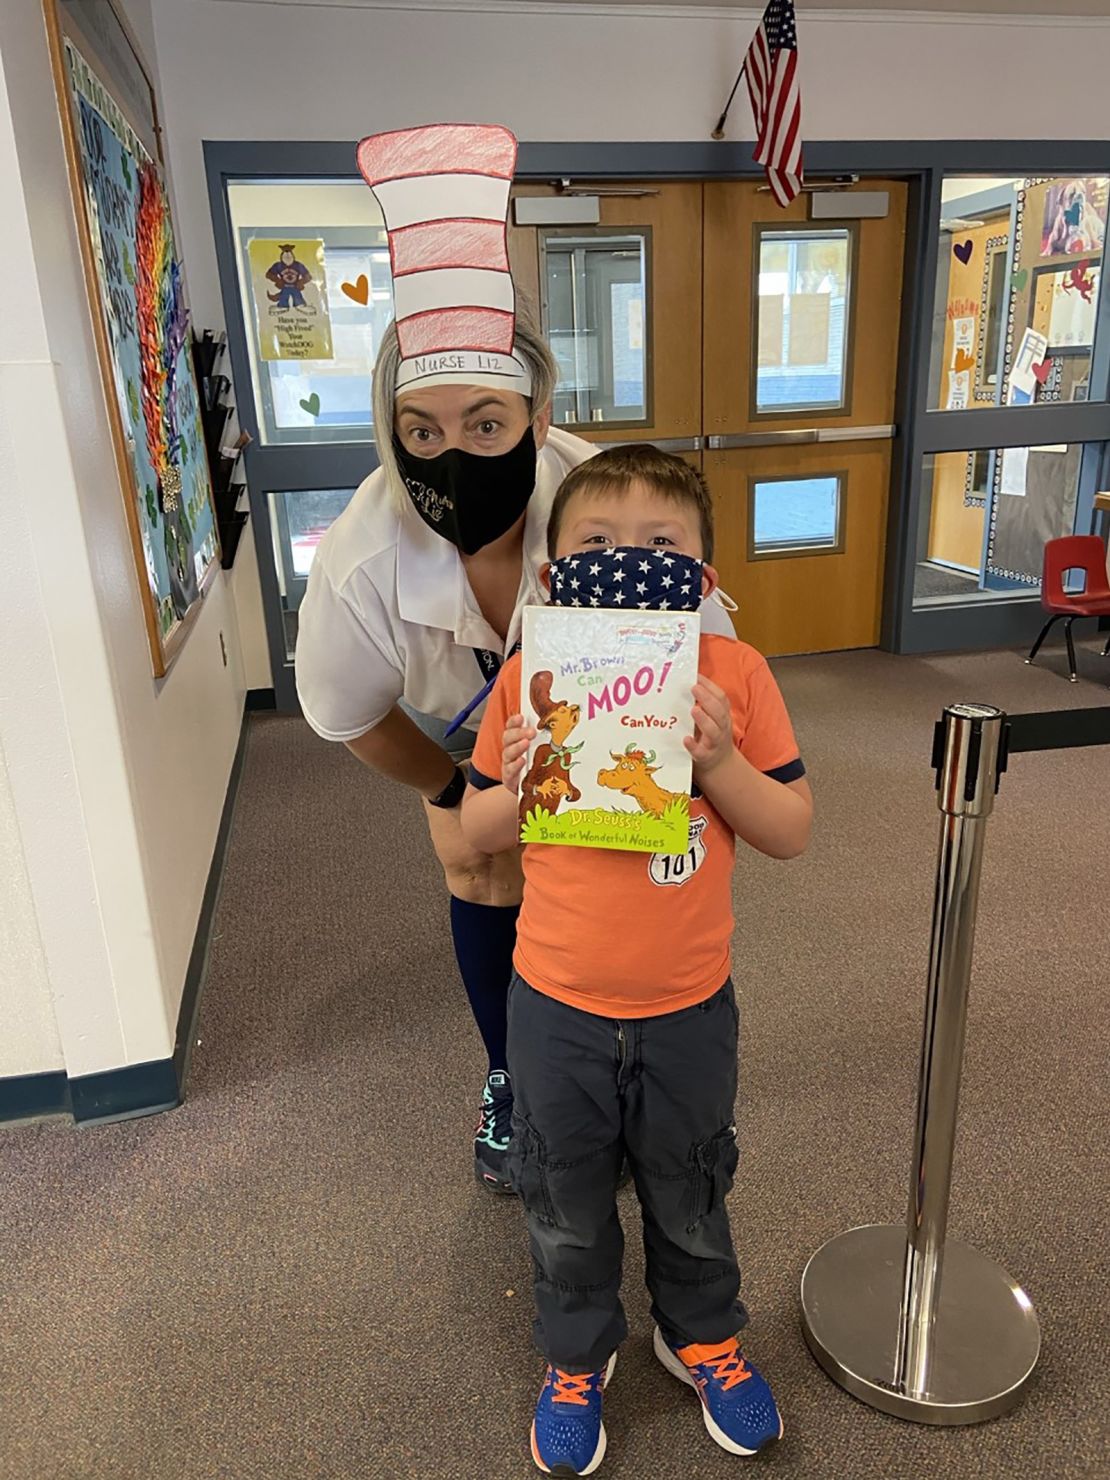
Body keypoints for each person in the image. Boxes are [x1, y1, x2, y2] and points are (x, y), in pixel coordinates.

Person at [295, 124, 739, 1196]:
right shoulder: (361, 566)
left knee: (615, 865)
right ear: (391, 434)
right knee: (480, 859)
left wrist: (692, 722)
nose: (456, 452)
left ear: (540, 419)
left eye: (487, 423)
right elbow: (353, 719)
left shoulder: (604, 508)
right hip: (465, 725)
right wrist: (453, 784)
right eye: (423, 428)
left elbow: (712, 637)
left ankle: (641, 1069)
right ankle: (513, 1078)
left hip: (611, 711)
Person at [461, 445, 813, 1474]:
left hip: (688, 1002)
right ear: (549, 572)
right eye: (597, 544)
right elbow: (476, 831)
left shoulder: (734, 676)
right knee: (563, 1192)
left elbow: (790, 827)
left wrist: (720, 762)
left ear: (705, 573)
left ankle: (700, 1332)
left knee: (690, 1182)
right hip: (557, 1003)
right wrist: (516, 780)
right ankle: (577, 1355)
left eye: (663, 544)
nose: (630, 561)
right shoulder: (531, 680)